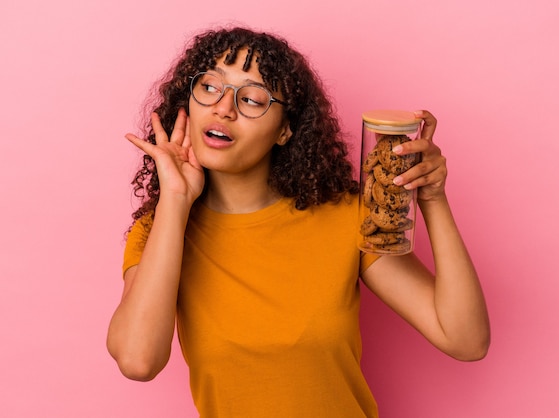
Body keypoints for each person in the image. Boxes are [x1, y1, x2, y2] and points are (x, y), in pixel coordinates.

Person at [107, 26, 490, 418]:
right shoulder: (161, 232)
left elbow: (464, 339)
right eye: (210, 87)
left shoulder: (345, 216)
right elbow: (138, 361)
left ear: (285, 130)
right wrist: (175, 199)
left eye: (253, 98)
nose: (224, 107)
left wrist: (433, 198)